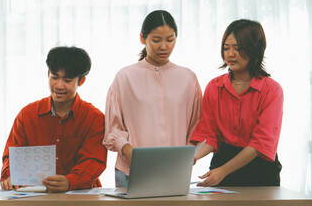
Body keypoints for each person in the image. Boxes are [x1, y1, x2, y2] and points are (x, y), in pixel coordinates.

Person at [103, 10, 202, 187]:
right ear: (143, 38)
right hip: (130, 171)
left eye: (170, 40)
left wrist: (189, 156)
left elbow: (198, 126)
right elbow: (112, 129)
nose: (163, 46)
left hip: (175, 171)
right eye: (156, 40)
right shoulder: (125, 77)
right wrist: (128, 150)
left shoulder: (188, 78)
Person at [0, 46, 107, 193]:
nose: (59, 85)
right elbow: (12, 155)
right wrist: (11, 177)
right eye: (55, 77)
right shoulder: (27, 115)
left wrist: (70, 181)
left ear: (81, 81)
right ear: (48, 73)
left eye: (67, 80)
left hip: (80, 195)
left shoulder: (94, 118)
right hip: (34, 196)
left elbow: (93, 161)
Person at [190, 19, 283, 187]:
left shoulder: (272, 90)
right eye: (226, 48)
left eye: (238, 48)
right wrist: (193, 156)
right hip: (221, 165)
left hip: (260, 170)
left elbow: (260, 144)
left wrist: (224, 171)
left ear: (255, 49)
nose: (230, 54)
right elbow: (210, 135)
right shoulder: (214, 86)